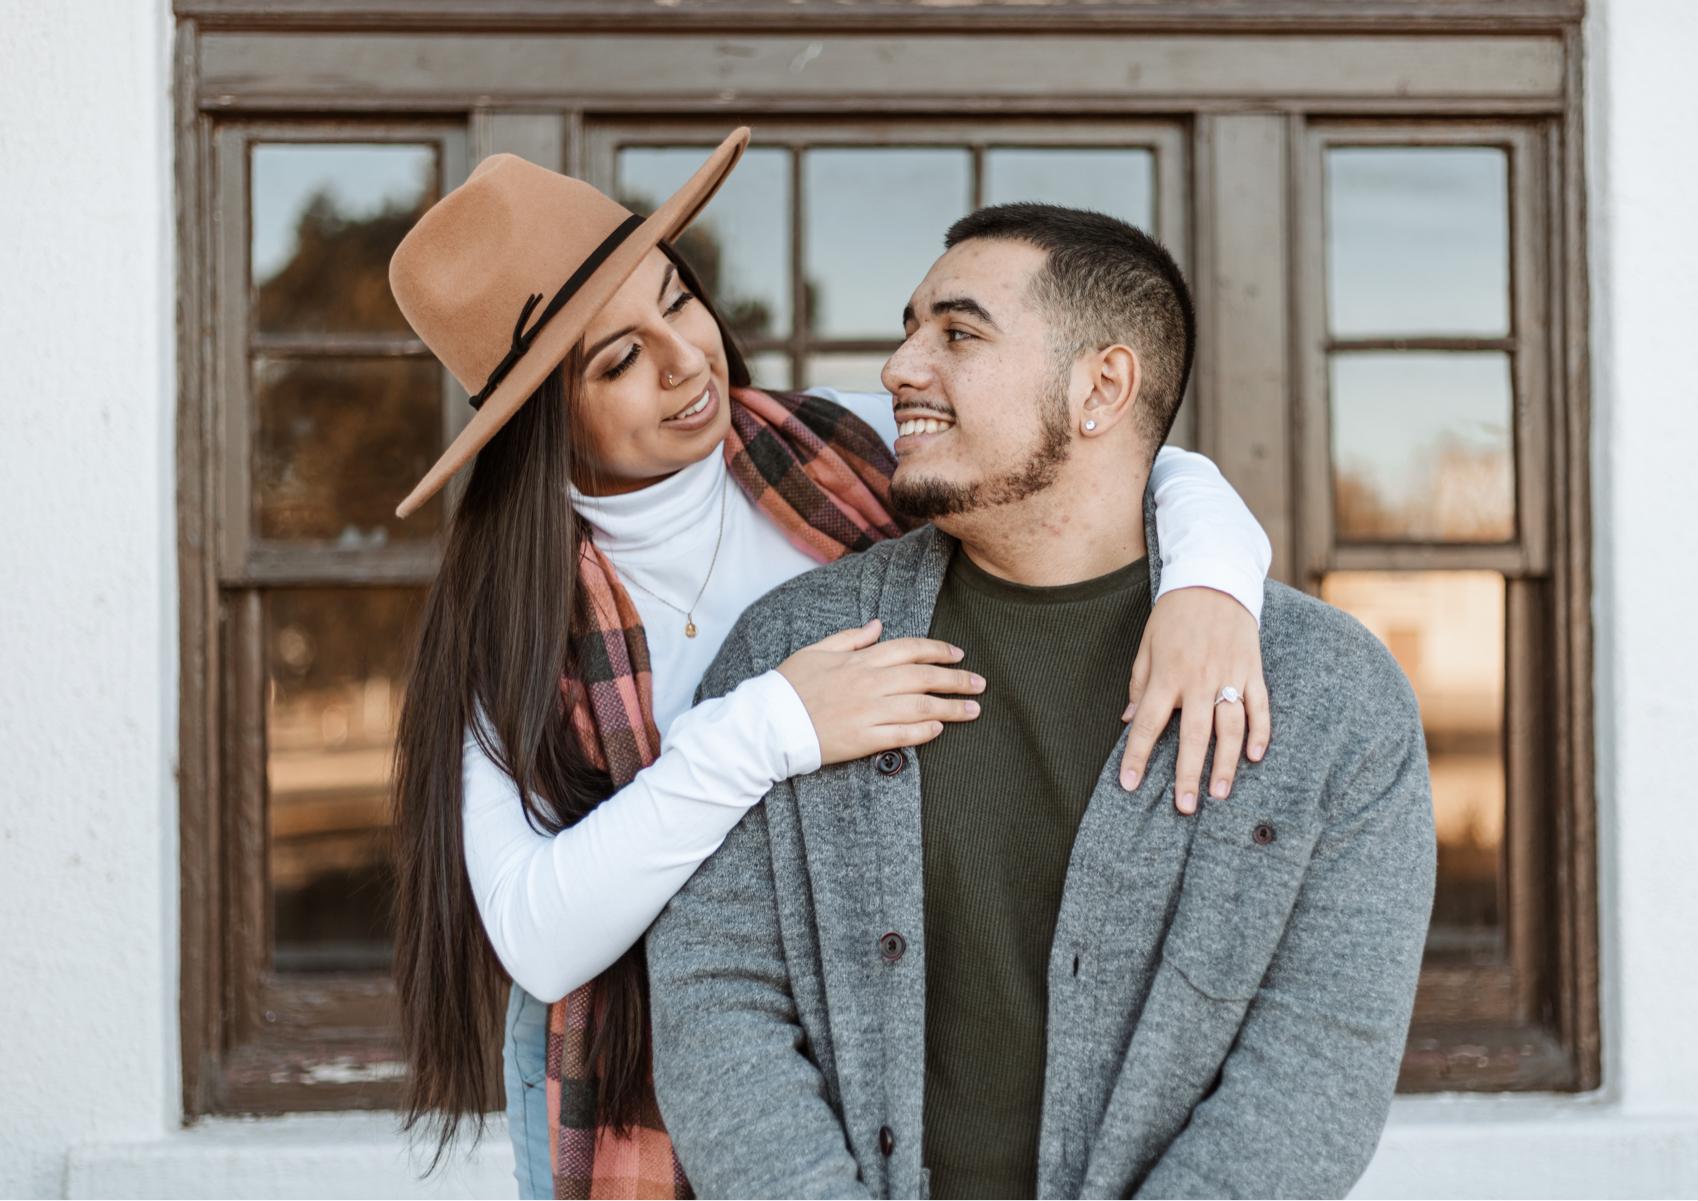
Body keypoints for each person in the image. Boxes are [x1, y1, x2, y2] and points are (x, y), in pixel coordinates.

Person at [385, 131, 1277, 1199]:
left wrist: (1211, 589)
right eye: (616, 359)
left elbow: (1134, 454)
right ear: (538, 418)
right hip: (622, 1071)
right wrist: (772, 724)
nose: (684, 360)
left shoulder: (833, 446)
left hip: (853, 1019)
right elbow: (539, 935)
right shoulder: (507, 622)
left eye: (676, 301)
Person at [647, 203, 1437, 1199]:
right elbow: (715, 994)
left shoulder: (1333, 698)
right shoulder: (795, 650)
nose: (898, 368)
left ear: (1102, 385)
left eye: (958, 332)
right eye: (908, 327)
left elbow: (1318, 1060)